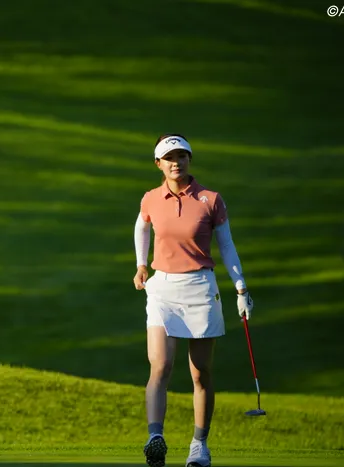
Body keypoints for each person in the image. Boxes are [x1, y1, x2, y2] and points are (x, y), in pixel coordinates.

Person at [132, 134, 254, 467]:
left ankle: (199, 445)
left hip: (200, 287)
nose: (176, 162)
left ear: (189, 160)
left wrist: (241, 288)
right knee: (160, 366)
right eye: (169, 158)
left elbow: (226, 245)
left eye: (182, 156)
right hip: (162, 288)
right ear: (158, 164)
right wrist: (141, 265)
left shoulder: (210, 200)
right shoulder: (151, 199)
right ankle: (155, 437)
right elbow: (141, 228)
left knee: (200, 373)